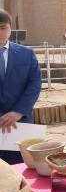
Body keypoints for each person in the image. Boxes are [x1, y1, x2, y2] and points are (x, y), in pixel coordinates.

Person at [0, 9, 42, 164]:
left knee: (21, 169)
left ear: (11, 28)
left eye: (3, 27)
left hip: (20, 122)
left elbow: (35, 83)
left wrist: (18, 111)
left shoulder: (26, 54)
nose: (0, 32)